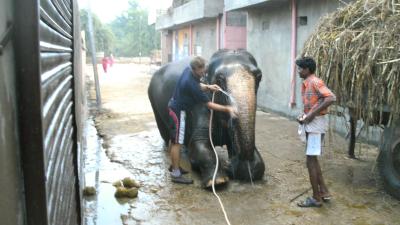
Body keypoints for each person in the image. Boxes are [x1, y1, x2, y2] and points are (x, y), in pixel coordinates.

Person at [167, 56, 238, 184]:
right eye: (200, 70)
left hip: (175, 107)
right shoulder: (190, 84)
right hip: (178, 112)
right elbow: (209, 105)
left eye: (204, 68)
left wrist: (209, 87)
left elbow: (198, 84)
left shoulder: (188, 71)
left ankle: (174, 166)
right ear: (194, 69)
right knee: (177, 142)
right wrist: (228, 108)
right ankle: (176, 174)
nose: (203, 72)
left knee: (174, 141)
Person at [295, 56, 336, 207]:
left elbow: (331, 98)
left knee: (310, 161)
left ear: (307, 69)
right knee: (312, 159)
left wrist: (311, 115)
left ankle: (316, 198)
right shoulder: (308, 83)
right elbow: (316, 104)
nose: (298, 71)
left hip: (316, 126)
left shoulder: (314, 82)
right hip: (314, 125)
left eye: (300, 68)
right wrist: (305, 115)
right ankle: (323, 191)